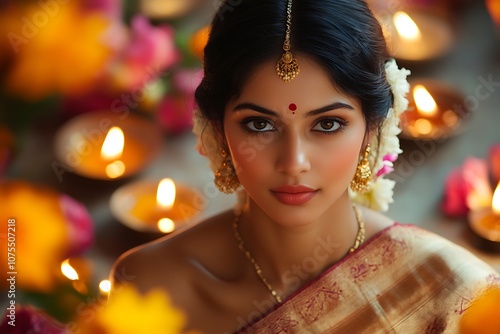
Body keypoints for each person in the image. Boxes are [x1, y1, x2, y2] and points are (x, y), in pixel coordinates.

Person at [109, 0, 500, 333]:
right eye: (259, 124)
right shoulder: (148, 286)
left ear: (374, 129)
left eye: (327, 124)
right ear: (216, 129)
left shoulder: (452, 293)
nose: (293, 163)